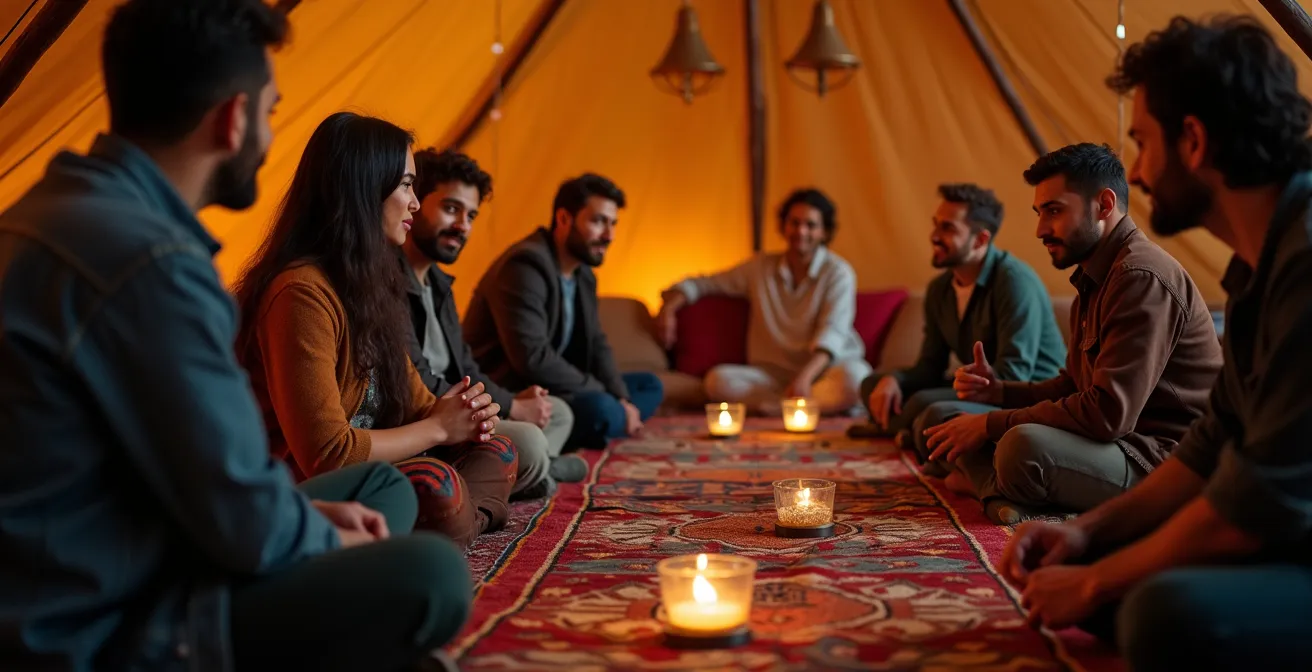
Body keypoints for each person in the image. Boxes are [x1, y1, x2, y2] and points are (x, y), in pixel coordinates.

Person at [0, 1, 469, 670]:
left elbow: (190, 476)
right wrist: (315, 540)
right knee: (430, 577)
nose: (270, 133)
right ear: (233, 118)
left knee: (370, 503)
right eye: (272, 111)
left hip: (105, 549)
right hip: (95, 618)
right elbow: (234, 512)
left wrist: (308, 525)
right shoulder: (150, 263)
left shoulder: (45, 214)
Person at [1002, 16, 1312, 670]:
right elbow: (1211, 444)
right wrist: (1084, 533)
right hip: (1277, 522)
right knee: (1115, 572)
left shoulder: (1306, 261)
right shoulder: (1257, 264)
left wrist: (1093, 580)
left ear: (1193, 140)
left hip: (1284, 526)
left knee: (1158, 612)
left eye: (1142, 143)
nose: (1137, 172)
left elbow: (1249, 508)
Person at [235, 112, 517, 551]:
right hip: (308, 490)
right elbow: (326, 456)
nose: (416, 202)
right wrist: (440, 430)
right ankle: (455, 520)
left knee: (498, 451)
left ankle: (456, 524)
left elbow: (421, 405)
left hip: (379, 470)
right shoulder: (300, 294)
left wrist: (465, 415)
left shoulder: (368, 286)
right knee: (433, 483)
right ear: (364, 186)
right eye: (406, 184)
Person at [919, 143, 1222, 524]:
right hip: (1112, 444)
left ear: (1104, 205)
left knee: (1022, 446)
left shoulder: (1139, 277)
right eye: (1039, 212)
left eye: (1054, 211)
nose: (1040, 229)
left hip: (1161, 460)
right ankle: (999, 493)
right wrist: (999, 393)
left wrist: (991, 423)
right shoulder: (1094, 277)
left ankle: (992, 489)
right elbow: (1073, 386)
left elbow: (1107, 414)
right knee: (949, 416)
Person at [401, 148, 587, 498]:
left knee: (559, 412)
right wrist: (512, 407)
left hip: (462, 408)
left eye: (471, 215)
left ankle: (530, 470)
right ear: (414, 202)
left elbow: (467, 366)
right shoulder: (387, 281)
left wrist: (511, 401)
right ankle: (538, 470)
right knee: (530, 439)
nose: (463, 226)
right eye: (451, 208)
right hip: (431, 420)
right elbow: (419, 380)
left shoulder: (439, 284)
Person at [849, 183, 1066, 444]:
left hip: (1022, 396)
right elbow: (930, 366)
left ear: (980, 239)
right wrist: (893, 379)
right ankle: (907, 429)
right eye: (936, 224)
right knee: (872, 384)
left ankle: (901, 428)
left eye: (948, 228)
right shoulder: (940, 289)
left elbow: (1013, 374)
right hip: (978, 391)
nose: (934, 236)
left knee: (927, 406)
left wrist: (946, 392)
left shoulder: (1015, 282)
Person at [464, 173, 664, 449]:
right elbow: (533, 359)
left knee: (649, 385)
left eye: (613, 224)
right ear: (563, 219)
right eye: (598, 221)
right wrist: (606, 395)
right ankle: (604, 423)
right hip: (518, 390)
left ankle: (611, 420)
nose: (609, 236)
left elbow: (597, 343)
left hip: (558, 387)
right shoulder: (524, 267)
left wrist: (622, 399)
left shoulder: (583, 274)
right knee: (601, 408)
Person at [657, 188, 870, 416]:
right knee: (717, 382)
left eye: (810, 225)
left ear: (824, 232)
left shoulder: (839, 273)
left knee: (857, 379)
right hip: (772, 376)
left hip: (823, 372)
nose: (800, 231)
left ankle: (779, 409)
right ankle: (801, 409)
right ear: (783, 226)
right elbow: (704, 283)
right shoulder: (759, 268)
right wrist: (669, 309)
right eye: (794, 222)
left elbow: (833, 334)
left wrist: (804, 379)